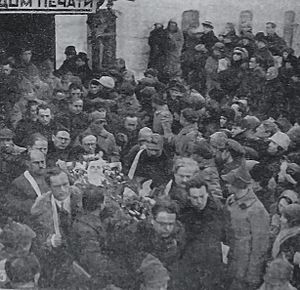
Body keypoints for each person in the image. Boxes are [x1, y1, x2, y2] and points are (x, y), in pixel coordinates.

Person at [30, 168, 82, 288]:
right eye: (57, 186)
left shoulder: (79, 195)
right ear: (49, 187)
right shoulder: (41, 207)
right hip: (59, 257)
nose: (63, 190)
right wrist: (50, 241)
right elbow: (36, 237)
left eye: (65, 185)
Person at [222, 162, 270, 290]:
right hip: (230, 260)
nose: (226, 185)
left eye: (229, 182)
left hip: (244, 266)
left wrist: (253, 275)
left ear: (238, 185)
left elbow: (260, 247)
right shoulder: (231, 201)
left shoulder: (257, 210)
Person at [175, 179, 226, 289]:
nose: (199, 201)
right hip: (190, 264)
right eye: (195, 198)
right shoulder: (184, 212)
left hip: (211, 265)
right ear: (189, 197)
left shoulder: (217, 211)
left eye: (202, 196)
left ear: (207, 194)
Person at [5, 149, 49, 223]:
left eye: (42, 162)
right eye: (36, 163)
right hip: (32, 220)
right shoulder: (19, 183)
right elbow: (13, 205)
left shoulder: (50, 176)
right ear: (28, 163)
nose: (41, 166)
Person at [272, 204, 300, 288]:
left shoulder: (293, 238)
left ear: (291, 220)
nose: (280, 219)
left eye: (283, 217)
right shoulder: (286, 233)